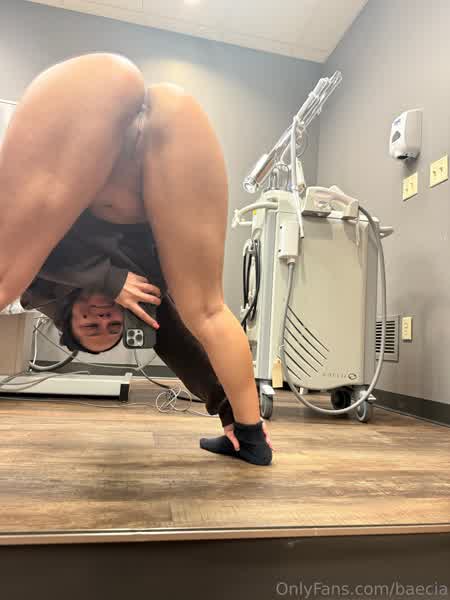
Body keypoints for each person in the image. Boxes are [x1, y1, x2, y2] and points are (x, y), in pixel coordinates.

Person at [0, 52, 273, 466]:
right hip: (173, 133)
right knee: (207, 310)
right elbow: (182, 350)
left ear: (68, 318)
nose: (102, 317)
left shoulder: (45, 289)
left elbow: (30, 263)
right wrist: (228, 412)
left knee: (5, 281)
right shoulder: (143, 301)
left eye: (90, 325)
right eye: (112, 326)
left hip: (92, 111)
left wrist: (108, 279)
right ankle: (252, 440)